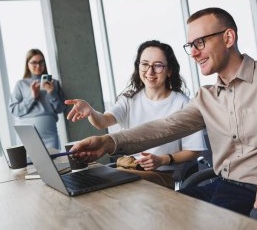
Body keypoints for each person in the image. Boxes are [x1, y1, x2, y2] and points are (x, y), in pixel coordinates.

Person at [69, 8, 257, 216]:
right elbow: (165, 126)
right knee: (153, 215)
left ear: (228, 37)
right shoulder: (206, 97)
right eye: (191, 46)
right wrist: (108, 141)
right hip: (219, 184)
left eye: (200, 43)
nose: (194, 53)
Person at [65, 40, 206, 189]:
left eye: (158, 65)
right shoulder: (129, 99)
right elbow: (103, 122)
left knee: (101, 185)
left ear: (169, 70)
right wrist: (91, 112)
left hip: (161, 174)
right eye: (144, 64)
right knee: (83, 180)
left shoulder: (183, 103)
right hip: (127, 169)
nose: (150, 71)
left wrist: (162, 160)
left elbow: (194, 150)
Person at [9, 49, 66, 150]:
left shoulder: (54, 83)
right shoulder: (20, 84)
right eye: (34, 62)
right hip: (27, 136)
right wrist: (32, 97)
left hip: (50, 135)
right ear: (27, 64)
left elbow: (61, 109)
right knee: (29, 164)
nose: (38, 66)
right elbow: (14, 110)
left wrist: (51, 93)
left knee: (54, 162)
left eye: (41, 62)